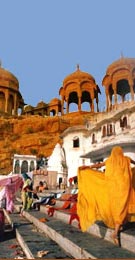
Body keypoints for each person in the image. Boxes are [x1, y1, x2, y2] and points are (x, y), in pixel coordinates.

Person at [77, 146, 135, 246]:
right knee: (122, 207)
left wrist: (87, 167)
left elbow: (99, 165)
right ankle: (116, 232)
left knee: (117, 207)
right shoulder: (126, 159)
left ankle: (117, 229)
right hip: (124, 188)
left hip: (112, 189)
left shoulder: (109, 160)